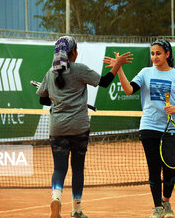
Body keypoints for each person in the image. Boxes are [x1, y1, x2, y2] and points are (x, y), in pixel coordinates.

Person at [36, 36, 133, 218]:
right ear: (73, 52)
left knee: (59, 168)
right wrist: (117, 64)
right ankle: (77, 210)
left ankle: (56, 197)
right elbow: (104, 82)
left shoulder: (50, 73)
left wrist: (59, 98)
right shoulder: (80, 69)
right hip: (79, 127)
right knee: (77, 168)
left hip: (57, 128)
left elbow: (43, 99)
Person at [104, 39, 175, 218]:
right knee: (153, 168)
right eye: (152, 53)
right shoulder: (145, 73)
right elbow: (129, 90)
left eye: (158, 53)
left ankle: (166, 202)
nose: (155, 57)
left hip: (171, 129)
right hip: (149, 126)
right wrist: (119, 68)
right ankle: (157, 207)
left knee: (169, 170)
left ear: (167, 54)